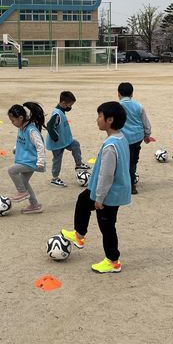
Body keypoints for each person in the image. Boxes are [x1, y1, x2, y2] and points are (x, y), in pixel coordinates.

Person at [61, 101, 131, 274]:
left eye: (100, 116)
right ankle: (79, 235)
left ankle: (113, 261)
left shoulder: (111, 146)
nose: (97, 119)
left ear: (110, 120)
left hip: (109, 194)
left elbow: (106, 176)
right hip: (108, 190)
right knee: (83, 200)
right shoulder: (121, 137)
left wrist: (99, 198)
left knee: (107, 227)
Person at [7, 102, 46, 214]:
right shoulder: (22, 127)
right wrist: (16, 148)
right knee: (24, 182)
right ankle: (35, 205)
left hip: (31, 161)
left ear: (20, 118)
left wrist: (40, 161)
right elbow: (22, 141)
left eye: (13, 121)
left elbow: (40, 146)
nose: (12, 123)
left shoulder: (31, 130)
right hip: (25, 159)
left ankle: (22, 192)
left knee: (12, 170)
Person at [45, 91, 90, 187]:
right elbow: (49, 126)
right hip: (57, 143)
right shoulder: (56, 114)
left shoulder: (61, 110)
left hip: (65, 140)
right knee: (57, 160)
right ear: (64, 103)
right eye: (70, 105)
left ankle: (78, 164)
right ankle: (55, 178)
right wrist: (55, 137)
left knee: (75, 145)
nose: (70, 107)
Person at [117, 82, 153, 194]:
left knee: (122, 161)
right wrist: (147, 135)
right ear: (132, 94)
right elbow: (146, 122)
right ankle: (132, 186)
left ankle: (123, 183)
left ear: (118, 94)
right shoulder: (139, 106)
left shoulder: (118, 107)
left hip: (123, 139)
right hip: (137, 138)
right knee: (133, 161)